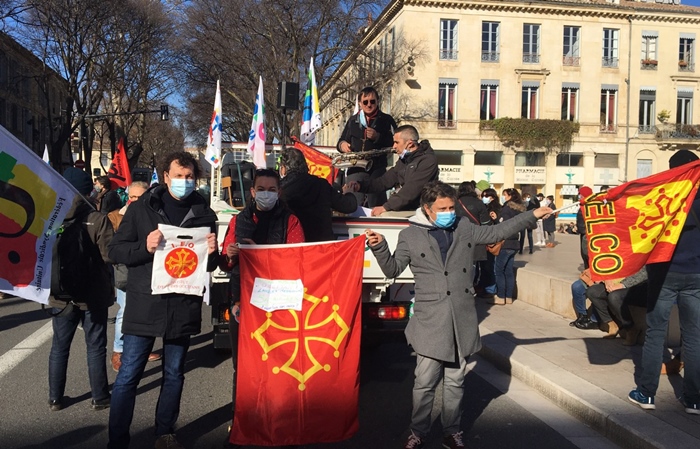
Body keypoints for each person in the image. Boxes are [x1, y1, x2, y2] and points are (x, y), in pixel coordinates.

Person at [366, 181, 552, 449]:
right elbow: (393, 270)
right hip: (430, 319)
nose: (449, 212)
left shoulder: (463, 228)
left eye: (452, 207)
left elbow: (496, 231)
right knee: (425, 382)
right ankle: (418, 431)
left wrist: (531, 215)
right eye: (443, 208)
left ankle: (451, 432)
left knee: (455, 381)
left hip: (461, 318)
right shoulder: (410, 235)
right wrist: (380, 246)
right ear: (427, 209)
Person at [107, 152, 219, 449]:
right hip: (145, 302)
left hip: (182, 304)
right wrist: (144, 247)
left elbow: (208, 266)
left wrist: (213, 252)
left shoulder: (205, 214)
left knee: (174, 374)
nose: (184, 182)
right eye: (178, 176)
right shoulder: (142, 209)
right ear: (166, 177)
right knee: (129, 374)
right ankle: (117, 439)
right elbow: (116, 251)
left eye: (189, 176)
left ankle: (165, 432)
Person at [218, 168, 305, 448]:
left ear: (278, 193)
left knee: (279, 365)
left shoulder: (291, 221)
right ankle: (242, 423)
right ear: (252, 192)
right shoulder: (238, 220)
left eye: (271, 189)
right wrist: (230, 255)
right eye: (261, 188)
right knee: (243, 368)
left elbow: (297, 260)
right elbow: (224, 263)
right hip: (243, 303)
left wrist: (260, 252)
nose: (266, 193)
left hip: (278, 303)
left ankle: (278, 425)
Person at [629, 149, 700, 415]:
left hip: (663, 276)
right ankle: (693, 398)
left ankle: (646, 393)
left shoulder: (660, 199)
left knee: (655, 334)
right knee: (693, 337)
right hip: (696, 275)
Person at [48, 167, 114, 412]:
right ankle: (99, 397)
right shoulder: (97, 219)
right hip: (93, 294)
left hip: (60, 294)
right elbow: (109, 256)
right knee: (96, 346)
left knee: (59, 347)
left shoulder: (51, 216)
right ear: (89, 191)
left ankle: (55, 397)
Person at [106, 181, 161, 372]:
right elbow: (114, 248)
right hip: (125, 271)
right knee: (125, 310)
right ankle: (118, 350)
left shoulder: (152, 213)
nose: (134, 201)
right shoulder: (115, 216)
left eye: (138, 197)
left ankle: (142, 349)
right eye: (131, 197)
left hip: (146, 273)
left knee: (143, 312)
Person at [348, 124, 439, 216]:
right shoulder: (404, 161)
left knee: (384, 216)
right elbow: (384, 181)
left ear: (410, 143)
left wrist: (386, 207)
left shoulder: (428, 161)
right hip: (408, 208)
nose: (394, 146)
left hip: (423, 211)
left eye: (397, 142)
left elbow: (411, 190)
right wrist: (360, 185)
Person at [278, 147, 357, 241]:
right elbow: (348, 206)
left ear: (283, 169)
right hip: (323, 246)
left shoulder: (280, 189)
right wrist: (349, 193)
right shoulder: (321, 184)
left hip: (295, 246)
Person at [337, 86, 397, 207]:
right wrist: (342, 145)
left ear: (377, 101)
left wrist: (378, 137)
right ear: (360, 104)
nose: (369, 105)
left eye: (372, 101)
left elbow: (396, 144)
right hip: (356, 167)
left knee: (376, 205)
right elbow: (340, 142)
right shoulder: (353, 120)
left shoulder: (387, 120)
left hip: (377, 169)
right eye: (365, 102)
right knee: (353, 204)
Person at [586, 268, 648, 343]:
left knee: (615, 297)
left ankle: (631, 328)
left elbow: (645, 272)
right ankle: (612, 324)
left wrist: (623, 285)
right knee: (592, 292)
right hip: (618, 281)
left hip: (641, 286)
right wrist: (607, 279)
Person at [490, 188, 526, 305]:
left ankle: (501, 296)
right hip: (515, 242)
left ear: (510, 196)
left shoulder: (507, 209)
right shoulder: (519, 210)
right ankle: (509, 297)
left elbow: (503, 226)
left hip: (505, 243)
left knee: (499, 270)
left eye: (505, 195)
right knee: (509, 271)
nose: (503, 197)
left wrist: (496, 219)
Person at [456, 181, 491, 293]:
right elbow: (486, 223)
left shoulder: (455, 203)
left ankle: (460, 288)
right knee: (473, 265)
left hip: (458, 239)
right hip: (476, 239)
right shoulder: (479, 203)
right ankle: (470, 288)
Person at [576, 186, 593, 269]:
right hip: (582, 232)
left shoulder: (590, 205)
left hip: (588, 233)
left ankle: (590, 271)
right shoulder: (582, 204)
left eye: (581, 195)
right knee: (583, 253)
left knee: (587, 253)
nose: (580, 196)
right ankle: (587, 270)